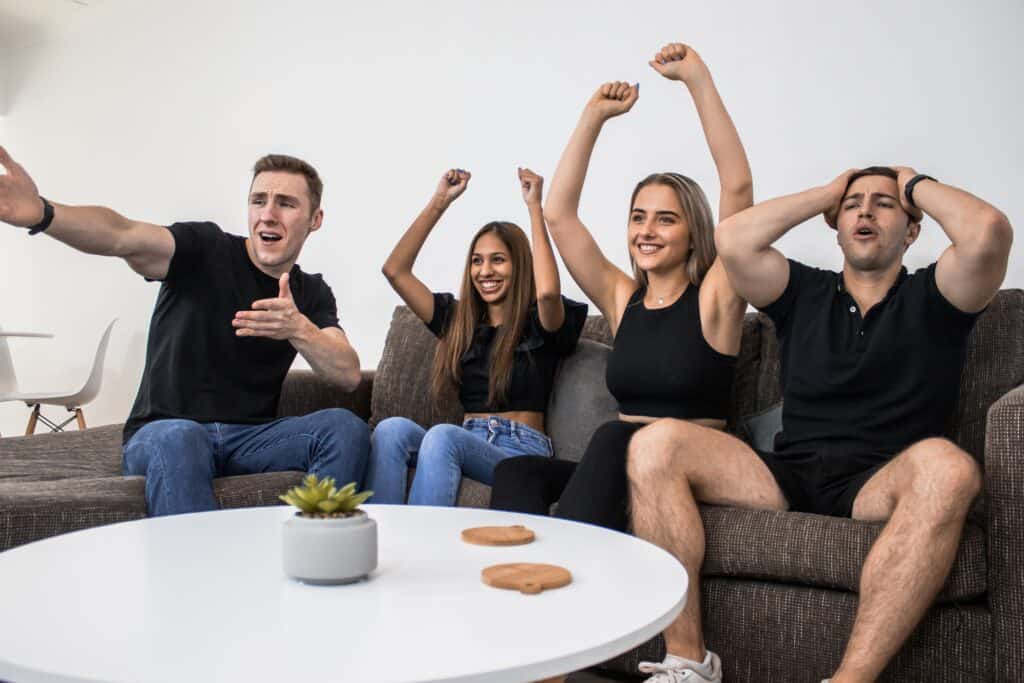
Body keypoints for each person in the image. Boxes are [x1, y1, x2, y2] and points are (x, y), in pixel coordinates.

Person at [627, 165, 1013, 682]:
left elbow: (989, 230)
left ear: (913, 229)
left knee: (950, 468)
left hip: (877, 482)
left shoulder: (939, 296)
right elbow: (733, 238)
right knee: (655, 444)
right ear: (836, 222)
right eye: (854, 204)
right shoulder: (803, 290)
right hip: (788, 472)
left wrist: (913, 183)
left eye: (884, 204)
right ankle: (688, 666)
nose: (866, 211)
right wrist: (828, 194)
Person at [491, 40, 751, 593]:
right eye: (638, 218)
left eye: (665, 220)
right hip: (617, 463)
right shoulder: (623, 299)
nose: (647, 231)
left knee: (611, 437)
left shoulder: (718, 297)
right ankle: (512, 605)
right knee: (518, 471)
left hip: (686, 466)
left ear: (693, 233)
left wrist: (698, 81)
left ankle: (560, 594)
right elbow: (559, 215)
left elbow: (738, 189)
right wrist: (593, 117)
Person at [0, 148, 370, 516]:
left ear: (315, 219)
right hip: (162, 432)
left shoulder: (311, 293)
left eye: (286, 203)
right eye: (259, 201)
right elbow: (121, 234)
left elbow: (347, 373)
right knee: (182, 435)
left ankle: (317, 550)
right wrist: (43, 213)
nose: (268, 215)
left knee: (343, 427)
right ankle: (195, 572)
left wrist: (299, 327)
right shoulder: (205, 248)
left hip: (249, 439)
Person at [366, 167, 587, 506]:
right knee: (390, 430)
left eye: (498, 260)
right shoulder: (458, 320)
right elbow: (394, 270)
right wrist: (439, 202)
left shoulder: (541, 321)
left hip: (518, 450)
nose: (485, 271)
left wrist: (534, 208)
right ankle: (380, 542)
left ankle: (424, 547)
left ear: (520, 266)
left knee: (442, 437)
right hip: (465, 440)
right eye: (477, 261)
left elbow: (546, 294)